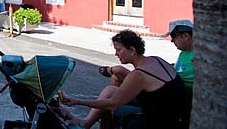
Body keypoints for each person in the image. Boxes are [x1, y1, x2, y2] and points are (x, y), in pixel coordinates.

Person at [60, 29, 189, 129]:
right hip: (170, 108)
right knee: (110, 90)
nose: (116, 54)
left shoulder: (139, 74)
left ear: (132, 50)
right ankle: (86, 123)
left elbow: (112, 103)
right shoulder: (156, 59)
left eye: (119, 50)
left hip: (166, 120)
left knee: (113, 108)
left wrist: (77, 101)